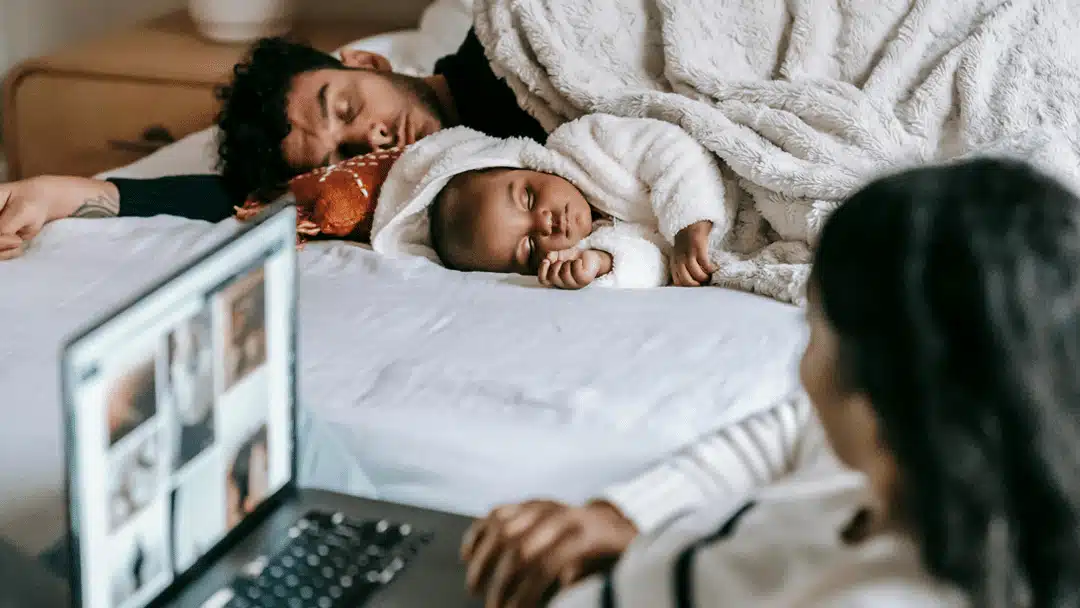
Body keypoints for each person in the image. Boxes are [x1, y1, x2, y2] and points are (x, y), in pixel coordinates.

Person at [460, 158, 1080, 607]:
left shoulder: (865, 593)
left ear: (873, 389)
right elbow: (792, 429)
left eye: (814, 332)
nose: (801, 369)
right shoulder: (920, 466)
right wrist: (622, 516)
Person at [0, 29, 548, 260]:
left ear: (367, 63)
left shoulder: (505, 58)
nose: (371, 136)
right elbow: (243, 201)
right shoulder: (413, 185)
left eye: (346, 108)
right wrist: (56, 193)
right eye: (341, 155)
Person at [370, 113, 733, 289]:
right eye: (529, 247)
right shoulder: (585, 250)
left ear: (526, 164)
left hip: (725, 181)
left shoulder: (585, 144)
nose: (545, 224)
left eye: (528, 198)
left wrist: (690, 227)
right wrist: (603, 264)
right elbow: (656, 262)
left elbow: (671, 150)